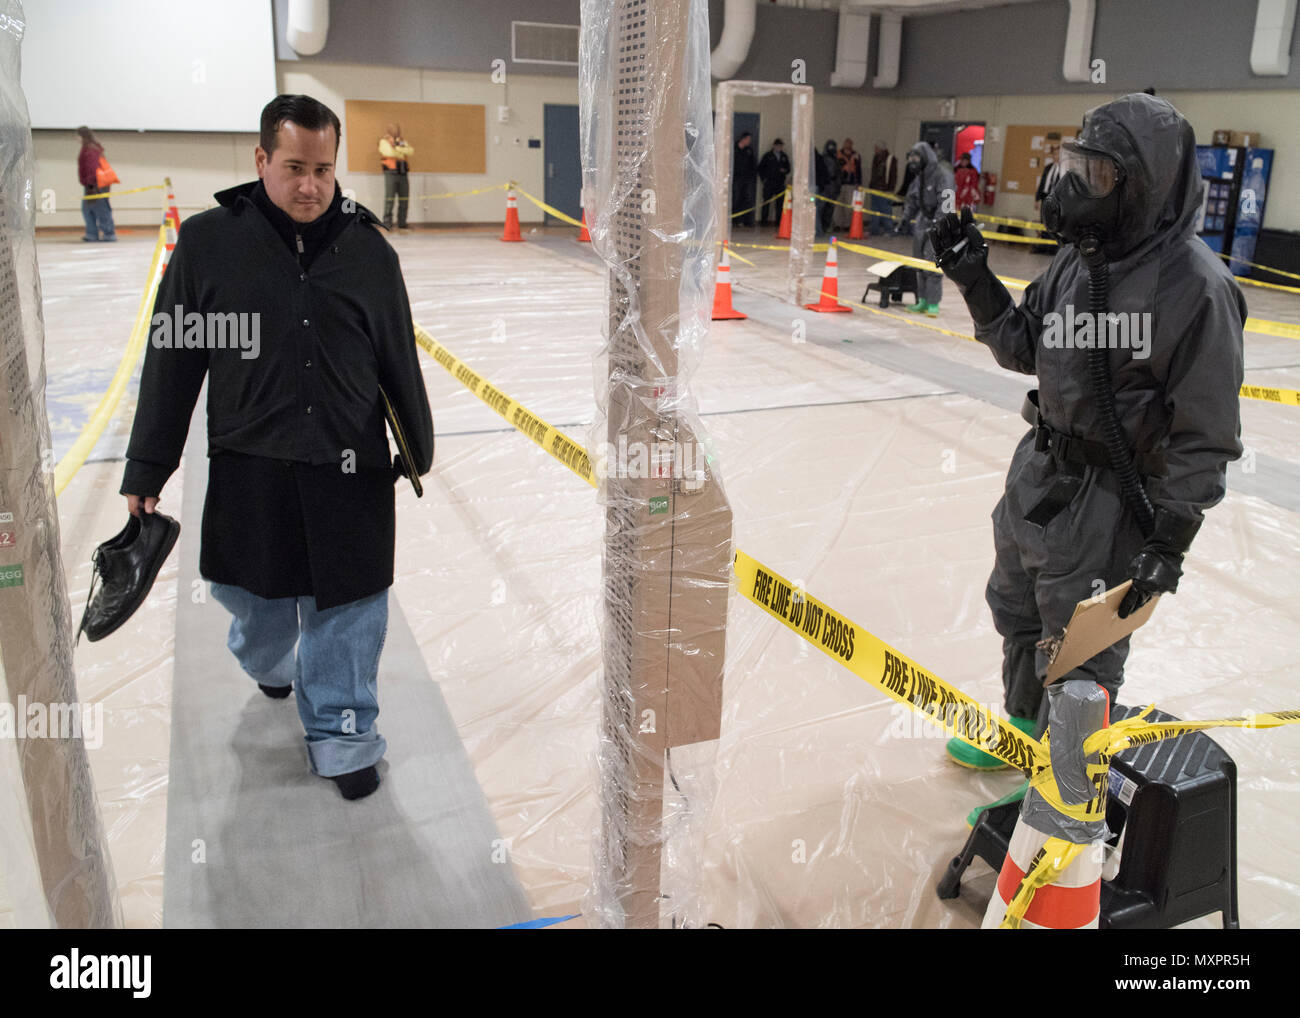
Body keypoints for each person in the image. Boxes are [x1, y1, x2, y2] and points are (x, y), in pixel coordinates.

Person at [120, 94, 435, 801]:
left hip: (349, 466)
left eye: (324, 169)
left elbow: (397, 356)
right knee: (254, 605)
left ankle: (344, 736)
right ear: (261, 160)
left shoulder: (367, 251)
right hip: (249, 464)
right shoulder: (208, 245)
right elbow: (173, 361)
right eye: (294, 167)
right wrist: (148, 466)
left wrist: (417, 442)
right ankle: (266, 657)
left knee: (349, 609)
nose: (311, 186)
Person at [928, 94, 1244, 772]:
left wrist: (1171, 538)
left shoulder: (1197, 289)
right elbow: (1024, 348)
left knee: (1081, 647)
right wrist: (974, 279)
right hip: (1041, 473)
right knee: (1015, 604)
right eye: (1073, 166)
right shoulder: (1077, 261)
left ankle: (1065, 783)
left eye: (1096, 175)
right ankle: (1020, 730)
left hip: (1110, 499)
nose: (1073, 188)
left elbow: (1206, 431)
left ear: (1144, 187)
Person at [895, 141, 952, 316]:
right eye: (911, 157)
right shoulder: (919, 178)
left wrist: (939, 222)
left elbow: (946, 201)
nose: (913, 161)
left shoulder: (942, 175)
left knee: (931, 262)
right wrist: (905, 219)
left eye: (916, 157)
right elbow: (912, 200)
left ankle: (933, 303)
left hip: (938, 225)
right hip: (922, 223)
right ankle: (923, 300)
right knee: (918, 263)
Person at [76, 126, 115, 242]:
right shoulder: (90, 148)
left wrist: (91, 185)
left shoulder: (90, 149)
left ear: (82, 136)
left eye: (77, 136)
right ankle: (92, 233)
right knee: (87, 209)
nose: (76, 138)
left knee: (101, 208)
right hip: (93, 184)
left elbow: (91, 168)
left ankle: (109, 233)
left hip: (95, 184)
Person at [379, 122, 415, 231]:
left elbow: (410, 151)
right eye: (393, 129)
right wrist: (400, 151)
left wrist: (397, 148)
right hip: (391, 173)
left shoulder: (402, 141)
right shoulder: (384, 141)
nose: (395, 131)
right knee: (389, 198)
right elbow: (389, 153)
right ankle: (387, 223)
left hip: (403, 173)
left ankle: (402, 223)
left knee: (404, 199)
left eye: (397, 129)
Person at [757, 137, 791, 227]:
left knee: (780, 204)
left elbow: (788, 168)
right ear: (774, 146)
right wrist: (764, 179)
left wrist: (784, 170)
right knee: (766, 202)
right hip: (769, 182)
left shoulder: (784, 156)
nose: (779, 147)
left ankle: (778, 221)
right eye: (778, 145)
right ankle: (763, 222)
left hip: (780, 183)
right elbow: (760, 168)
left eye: (781, 146)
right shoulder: (767, 156)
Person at [867, 141, 897, 235]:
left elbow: (893, 175)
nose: (875, 150)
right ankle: (874, 230)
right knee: (874, 210)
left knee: (886, 210)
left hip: (885, 190)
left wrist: (890, 189)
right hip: (874, 189)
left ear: (881, 149)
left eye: (876, 148)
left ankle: (889, 230)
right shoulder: (875, 158)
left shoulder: (890, 159)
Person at [815, 139, 842, 235]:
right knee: (822, 208)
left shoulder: (836, 159)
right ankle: (821, 228)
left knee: (830, 209)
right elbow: (827, 173)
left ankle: (825, 227)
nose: (832, 149)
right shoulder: (824, 159)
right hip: (826, 187)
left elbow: (838, 174)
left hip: (833, 188)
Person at [732, 131, 758, 227]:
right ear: (744, 139)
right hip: (735, 180)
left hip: (746, 180)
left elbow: (753, 165)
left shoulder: (749, 150)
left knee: (746, 199)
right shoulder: (733, 149)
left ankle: (745, 221)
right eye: (748, 139)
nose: (749, 141)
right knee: (735, 199)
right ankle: (733, 221)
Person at [835, 138, 862, 230]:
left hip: (851, 184)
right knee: (839, 205)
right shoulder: (838, 154)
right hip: (840, 183)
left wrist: (859, 183)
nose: (848, 146)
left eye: (850, 144)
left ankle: (847, 225)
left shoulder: (856, 155)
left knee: (849, 205)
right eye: (846, 143)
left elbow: (859, 170)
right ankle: (838, 224)